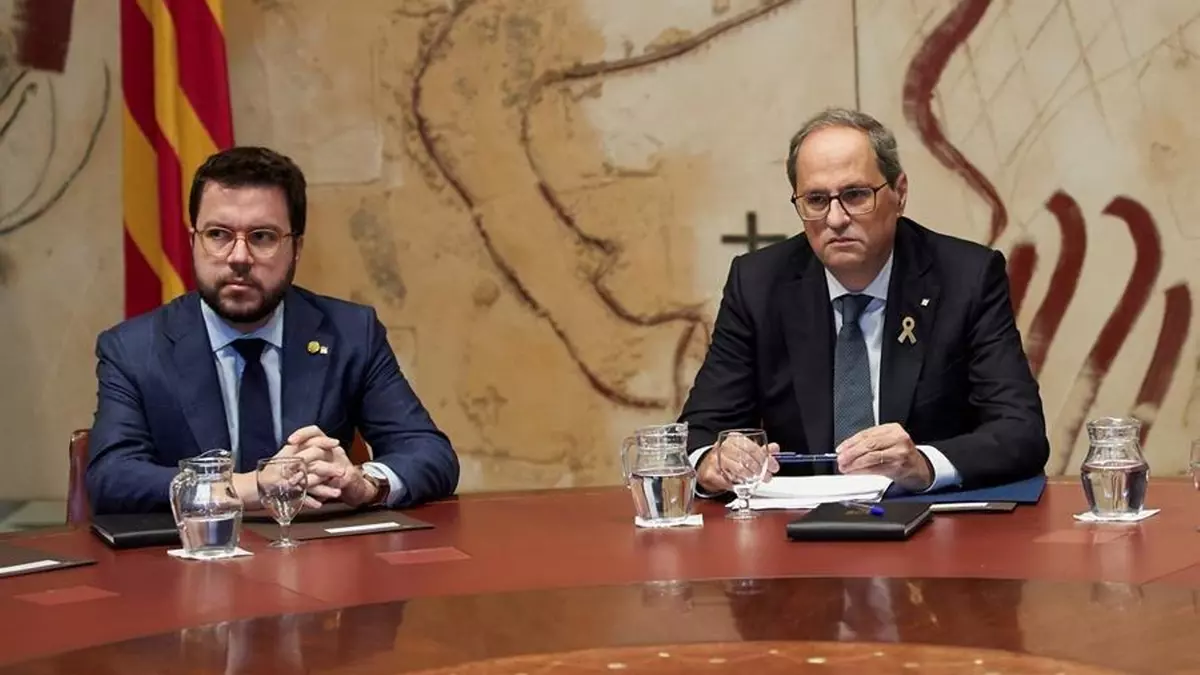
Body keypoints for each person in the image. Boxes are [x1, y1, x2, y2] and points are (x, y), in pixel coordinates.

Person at [680, 107, 1048, 496]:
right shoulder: (759, 284)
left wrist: (924, 465)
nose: (836, 219)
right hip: (795, 522)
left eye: (855, 195)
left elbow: (1020, 431)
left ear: (900, 193)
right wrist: (714, 461)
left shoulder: (966, 277)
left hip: (929, 521)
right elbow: (699, 433)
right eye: (816, 200)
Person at [87, 146, 459, 514]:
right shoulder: (133, 349)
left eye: (262, 236)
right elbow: (112, 477)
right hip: (195, 549)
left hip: (320, 550)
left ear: (296, 248)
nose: (239, 257)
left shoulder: (351, 333)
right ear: (192, 242)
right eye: (218, 234)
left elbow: (429, 452)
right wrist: (253, 486)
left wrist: (365, 484)